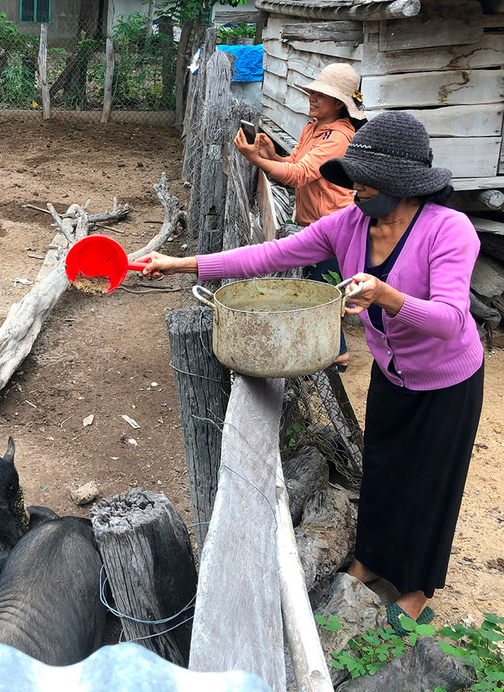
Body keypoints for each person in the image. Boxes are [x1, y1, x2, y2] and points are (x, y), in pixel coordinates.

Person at [140, 111, 484, 634]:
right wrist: (179, 264)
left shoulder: (449, 230)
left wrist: (387, 297)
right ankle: (369, 557)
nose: (354, 188)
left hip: (447, 383)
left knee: (429, 483)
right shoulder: (349, 223)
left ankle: (415, 588)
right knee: (385, 467)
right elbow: (269, 255)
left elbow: (453, 321)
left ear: (404, 185)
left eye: (366, 179)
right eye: (354, 177)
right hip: (394, 374)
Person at [234, 62, 366, 370]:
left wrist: (255, 159)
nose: (313, 97)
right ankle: (334, 349)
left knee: (325, 289)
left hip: (335, 224)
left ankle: (338, 353)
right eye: (313, 92)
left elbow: (298, 176)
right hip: (317, 223)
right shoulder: (313, 128)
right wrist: (269, 153)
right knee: (323, 288)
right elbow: (292, 163)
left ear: (340, 103)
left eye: (322, 94)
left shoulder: (337, 137)